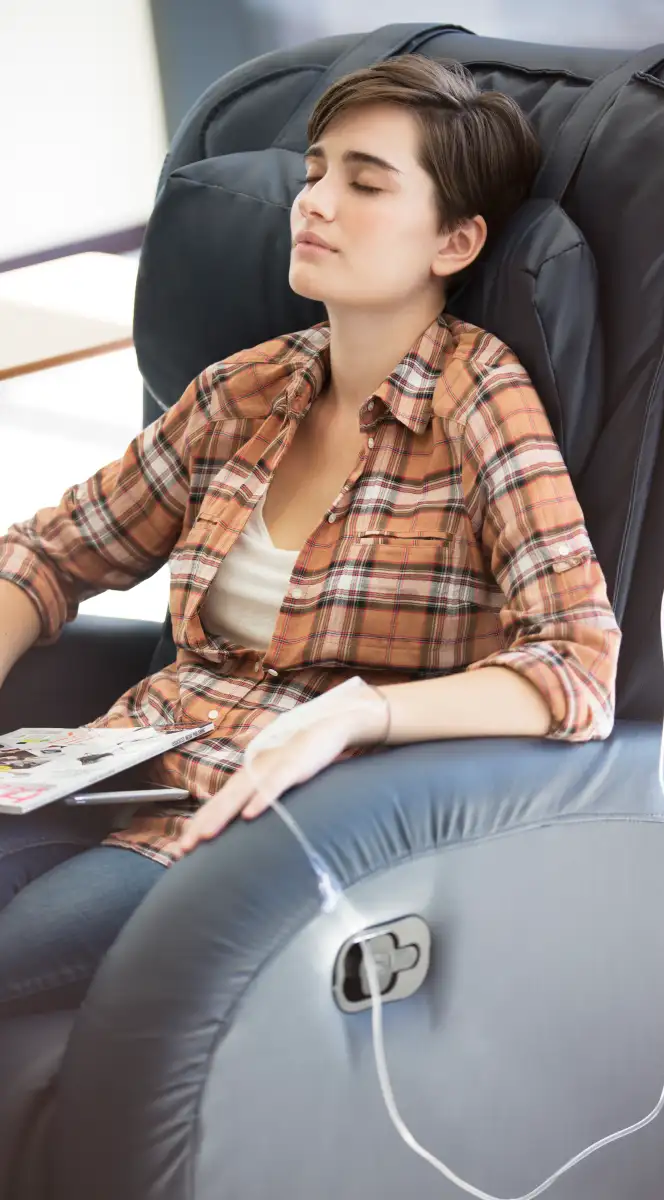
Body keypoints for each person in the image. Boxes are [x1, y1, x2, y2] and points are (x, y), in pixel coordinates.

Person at [0, 55, 621, 1017]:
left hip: (257, 833)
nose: (315, 203)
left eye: (364, 183)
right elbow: (45, 554)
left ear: (454, 242)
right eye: (314, 173)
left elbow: (577, 666)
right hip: (118, 772)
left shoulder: (480, 403)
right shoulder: (243, 392)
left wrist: (357, 713)